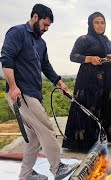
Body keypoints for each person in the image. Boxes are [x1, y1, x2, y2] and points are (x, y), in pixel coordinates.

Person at [0, 4, 78, 180]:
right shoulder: (17, 33)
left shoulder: (41, 43)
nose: (47, 29)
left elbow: (45, 66)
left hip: (33, 94)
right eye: (45, 24)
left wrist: (58, 81)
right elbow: (6, 59)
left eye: (49, 26)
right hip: (21, 94)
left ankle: (26, 175)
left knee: (34, 137)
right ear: (35, 17)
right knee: (46, 128)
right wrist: (13, 86)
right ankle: (58, 168)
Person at [62, 12, 111, 152]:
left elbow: (108, 58)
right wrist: (89, 59)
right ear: (90, 24)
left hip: (107, 78)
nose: (100, 25)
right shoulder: (84, 39)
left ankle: (103, 139)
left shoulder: (107, 40)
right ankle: (85, 142)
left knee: (106, 105)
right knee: (88, 107)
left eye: (102, 22)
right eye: (97, 22)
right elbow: (73, 56)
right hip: (89, 80)